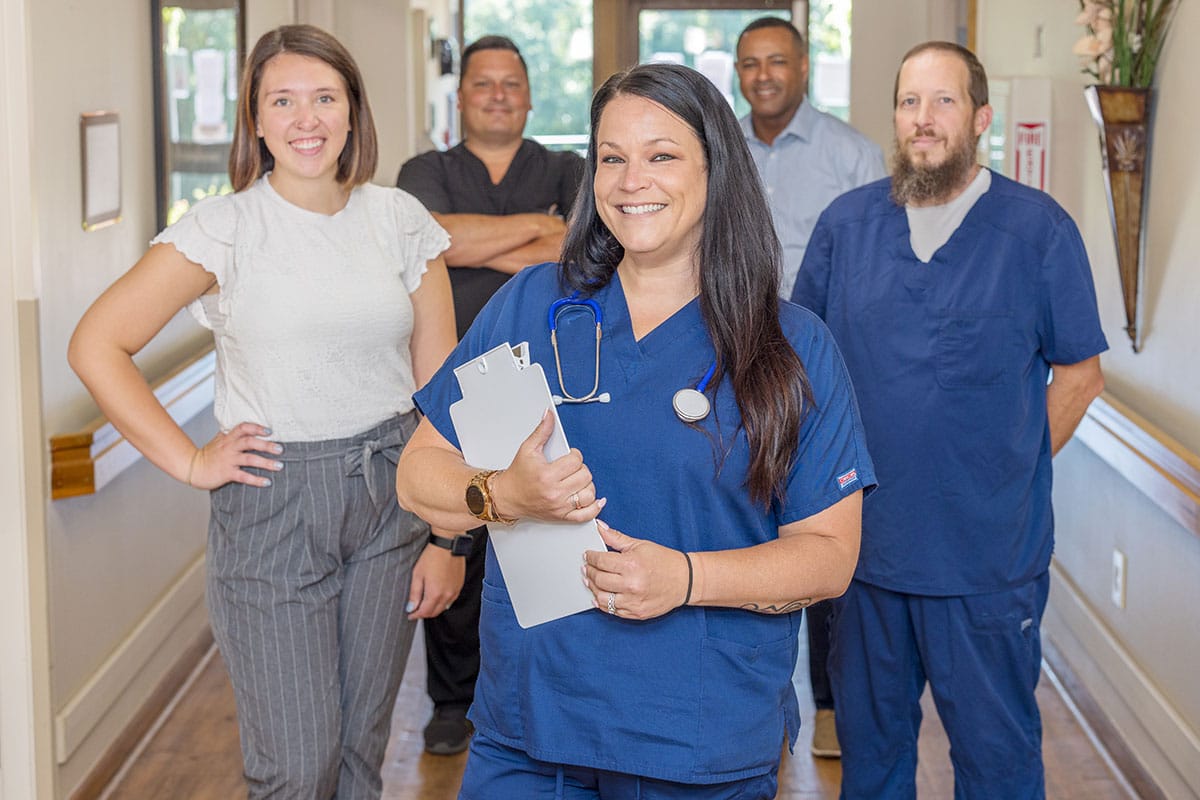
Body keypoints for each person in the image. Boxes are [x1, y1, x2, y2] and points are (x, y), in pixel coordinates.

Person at [395, 62, 874, 799]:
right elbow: (418, 471)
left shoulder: (790, 345)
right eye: (611, 158)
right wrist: (502, 495)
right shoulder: (534, 306)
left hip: (697, 737)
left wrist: (686, 578)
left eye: (661, 156)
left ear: (717, 169)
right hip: (531, 732)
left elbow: (829, 555)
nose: (629, 180)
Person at [68, 24, 464, 799]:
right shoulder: (225, 229)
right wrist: (189, 461)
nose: (305, 119)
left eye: (324, 98)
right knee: (297, 764)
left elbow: (442, 391)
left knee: (360, 752)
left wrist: (449, 538)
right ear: (255, 118)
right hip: (274, 502)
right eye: (283, 100)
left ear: (353, 112)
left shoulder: (400, 220)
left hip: (394, 490)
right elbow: (96, 345)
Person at [792, 41, 1108, 799]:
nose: (923, 120)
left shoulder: (1038, 232)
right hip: (867, 555)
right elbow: (803, 368)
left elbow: (1081, 374)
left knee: (996, 763)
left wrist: (1011, 467)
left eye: (943, 102)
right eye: (909, 103)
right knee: (871, 760)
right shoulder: (847, 227)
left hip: (986, 563)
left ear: (981, 118)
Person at [396, 33, 584, 756]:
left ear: (531, 96)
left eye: (512, 83)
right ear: (461, 95)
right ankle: (453, 700)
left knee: (541, 531)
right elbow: (429, 240)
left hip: (552, 377)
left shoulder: (567, 166)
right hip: (448, 370)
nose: (499, 94)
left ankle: (543, 692)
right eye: (484, 83)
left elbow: (581, 248)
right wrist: (541, 227)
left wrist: (469, 241)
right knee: (454, 527)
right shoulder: (426, 169)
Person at [734, 15, 886, 758]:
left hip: (817, 371)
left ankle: (825, 701)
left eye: (777, 62)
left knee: (819, 526)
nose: (763, 75)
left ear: (803, 67)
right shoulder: (719, 148)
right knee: (738, 522)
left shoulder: (851, 156)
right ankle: (745, 696)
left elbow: (875, 274)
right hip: (727, 368)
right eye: (750, 63)